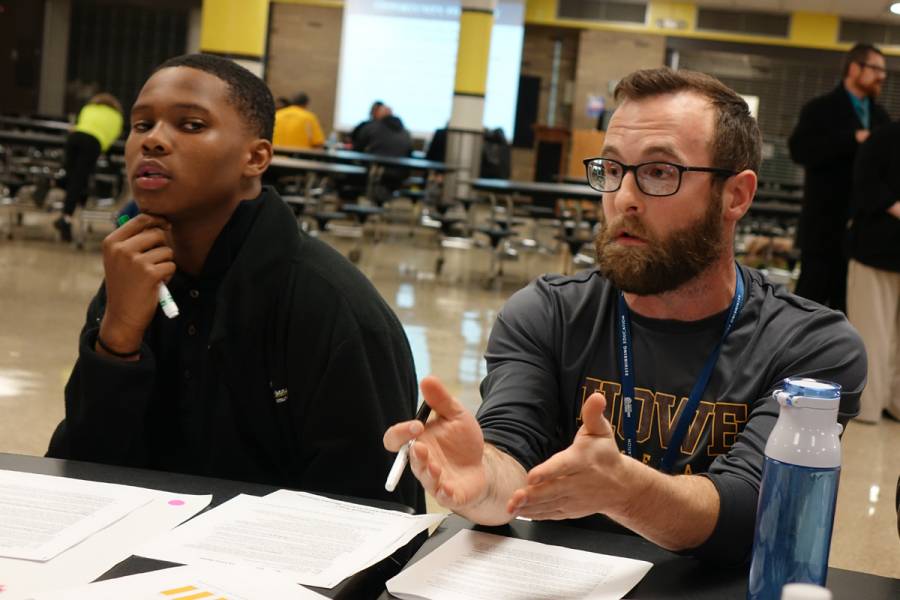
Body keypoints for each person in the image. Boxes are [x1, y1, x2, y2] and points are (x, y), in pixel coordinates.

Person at [384, 68, 865, 566]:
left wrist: (625, 492)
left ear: (736, 196)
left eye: (660, 172)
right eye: (612, 170)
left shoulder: (811, 345)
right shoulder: (549, 313)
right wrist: (481, 479)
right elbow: (510, 452)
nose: (623, 199)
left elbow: (754, 509)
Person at [46, 54, 423, 512]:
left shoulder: (329, 306)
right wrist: (118, 339)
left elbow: (375, 514)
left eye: (190, 125)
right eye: (141, 124)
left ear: (256, 157)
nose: (153, 141)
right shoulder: (133, 276)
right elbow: (78, 472)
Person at [789, 42, 890, 313]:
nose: (882, 76)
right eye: (876, 68)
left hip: (861, 235)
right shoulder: (819, 108)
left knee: (850, 312)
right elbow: (799, 150)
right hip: (823, 229)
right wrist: (852, 139)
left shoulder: (881, 117)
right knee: (806, 308)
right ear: (855, 68)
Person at [846, 121, 900, 424]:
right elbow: (866, 184)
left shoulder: (882, 137)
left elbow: (866, 184)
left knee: (877, 332)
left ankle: (885, 403)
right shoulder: (884, 138)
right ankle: (869, 405)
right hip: (876, 249)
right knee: (872, 332)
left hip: (879, 247)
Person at [53, 93, 124, 243]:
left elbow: (78, 124)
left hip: (74, 139)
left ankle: (65, 209)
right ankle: (67, 217)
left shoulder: (89, 108)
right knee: (78, 181)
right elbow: (113, 136)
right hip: (93, 143)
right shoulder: (117, 117)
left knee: (72, 178)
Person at [352, 105, 413, 203]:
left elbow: (357, 149)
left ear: (378, 115)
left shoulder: (372, 127)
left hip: (376, 173)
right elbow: (410, 154)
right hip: (400, 175)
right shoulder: (406, 132)